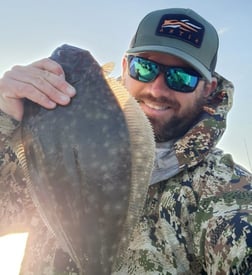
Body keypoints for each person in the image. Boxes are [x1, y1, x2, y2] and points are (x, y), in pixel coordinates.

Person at [0, 7, 251, 274]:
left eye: (182, 78)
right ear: (124, 67)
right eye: (145, 67)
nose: (156, 89)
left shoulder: (224, 189)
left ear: (209, 88)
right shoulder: (51, 146)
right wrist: (5, 118)